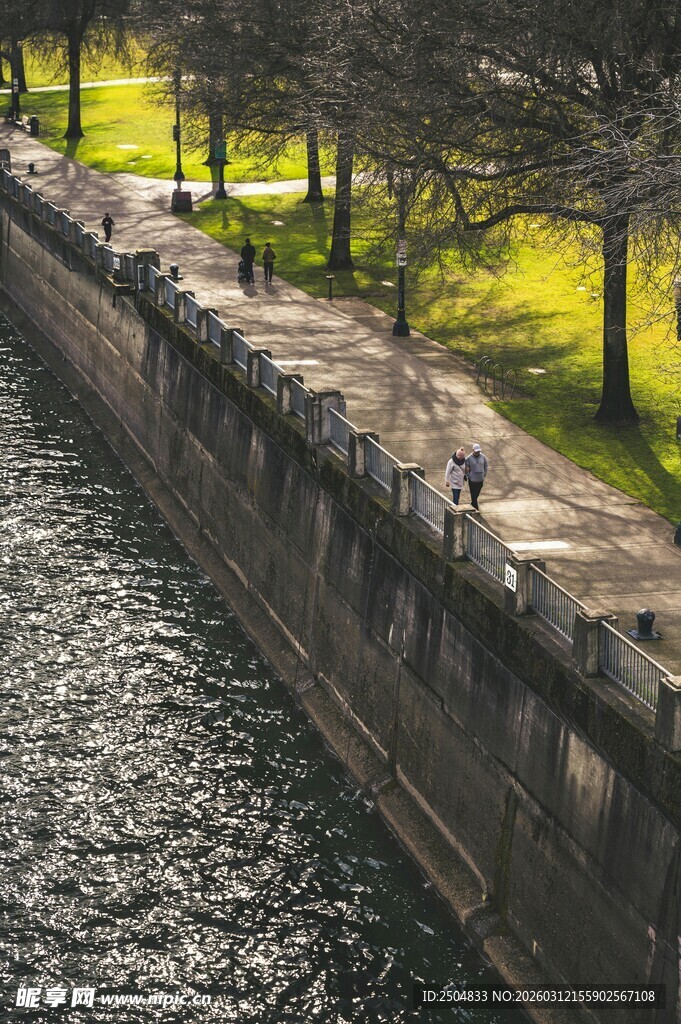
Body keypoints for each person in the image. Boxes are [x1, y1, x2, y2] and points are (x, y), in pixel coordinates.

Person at [465, 443, 488, 510]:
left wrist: (484, 474)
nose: (478, 452)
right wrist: (469, 476)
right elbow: (466, 468)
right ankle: (475, 507)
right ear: (473, 450)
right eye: (476, 451)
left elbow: (485, 466)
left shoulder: (483, 457)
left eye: (479, 451)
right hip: (472, 480)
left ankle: (473, 503)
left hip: (480, 479)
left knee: (477, 493)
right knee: (473, 494)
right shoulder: (468, 458)